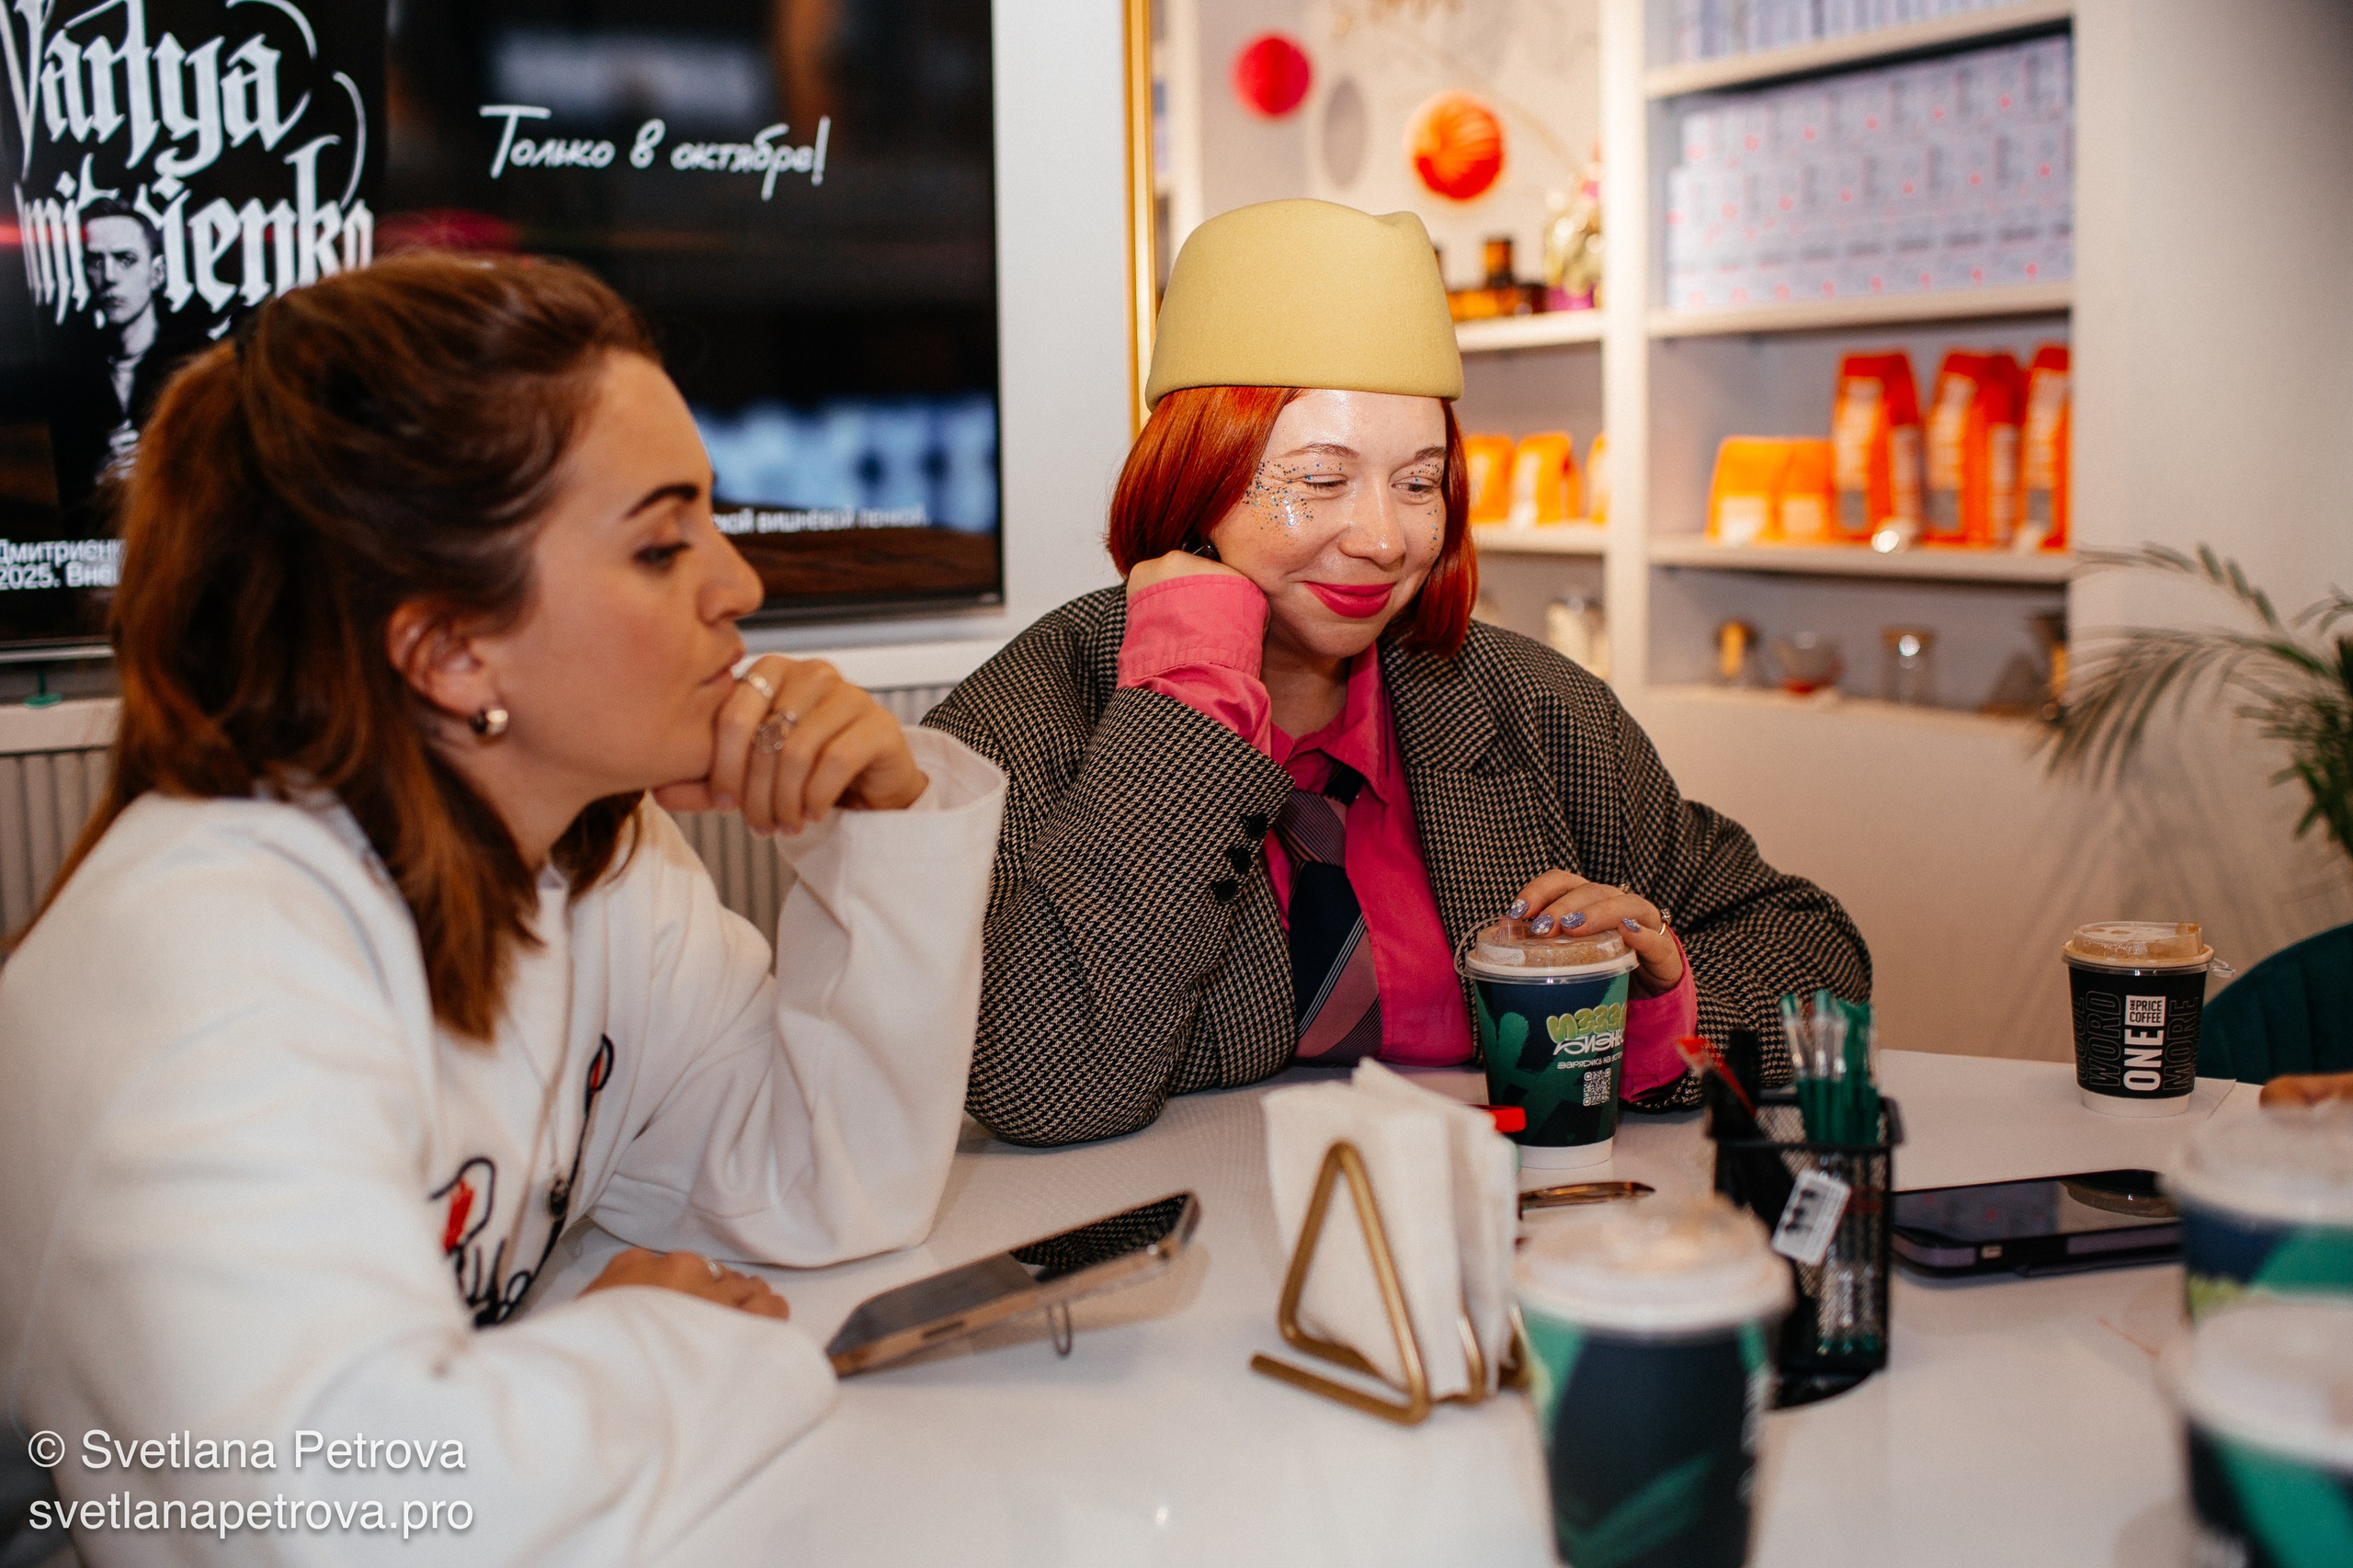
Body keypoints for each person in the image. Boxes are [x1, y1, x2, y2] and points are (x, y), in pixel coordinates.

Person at [0, 254, 1006, 1558]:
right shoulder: (205, 946)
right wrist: (662, 1341)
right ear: (451, 651)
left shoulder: (599, 863)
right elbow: (340, 1518)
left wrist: (883, 820)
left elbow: (822, 1183)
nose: (740, 586)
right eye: (662, 543)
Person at [926, 199, 1869, 1148]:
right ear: (1192, 479)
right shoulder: (1025, 722)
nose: (1384, 540)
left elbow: (1819, 956)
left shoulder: (1537, 710)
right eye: (1321, 480)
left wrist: (1656, 999)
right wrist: (1188, 697)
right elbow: (1043, 1083)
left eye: (1418, 483)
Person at [46, 199, 201, 517]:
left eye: (125, 260)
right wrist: (98, 479)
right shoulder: (67, 375)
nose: (109, 276)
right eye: (96, 261)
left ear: (157, 273)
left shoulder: (196, 363)